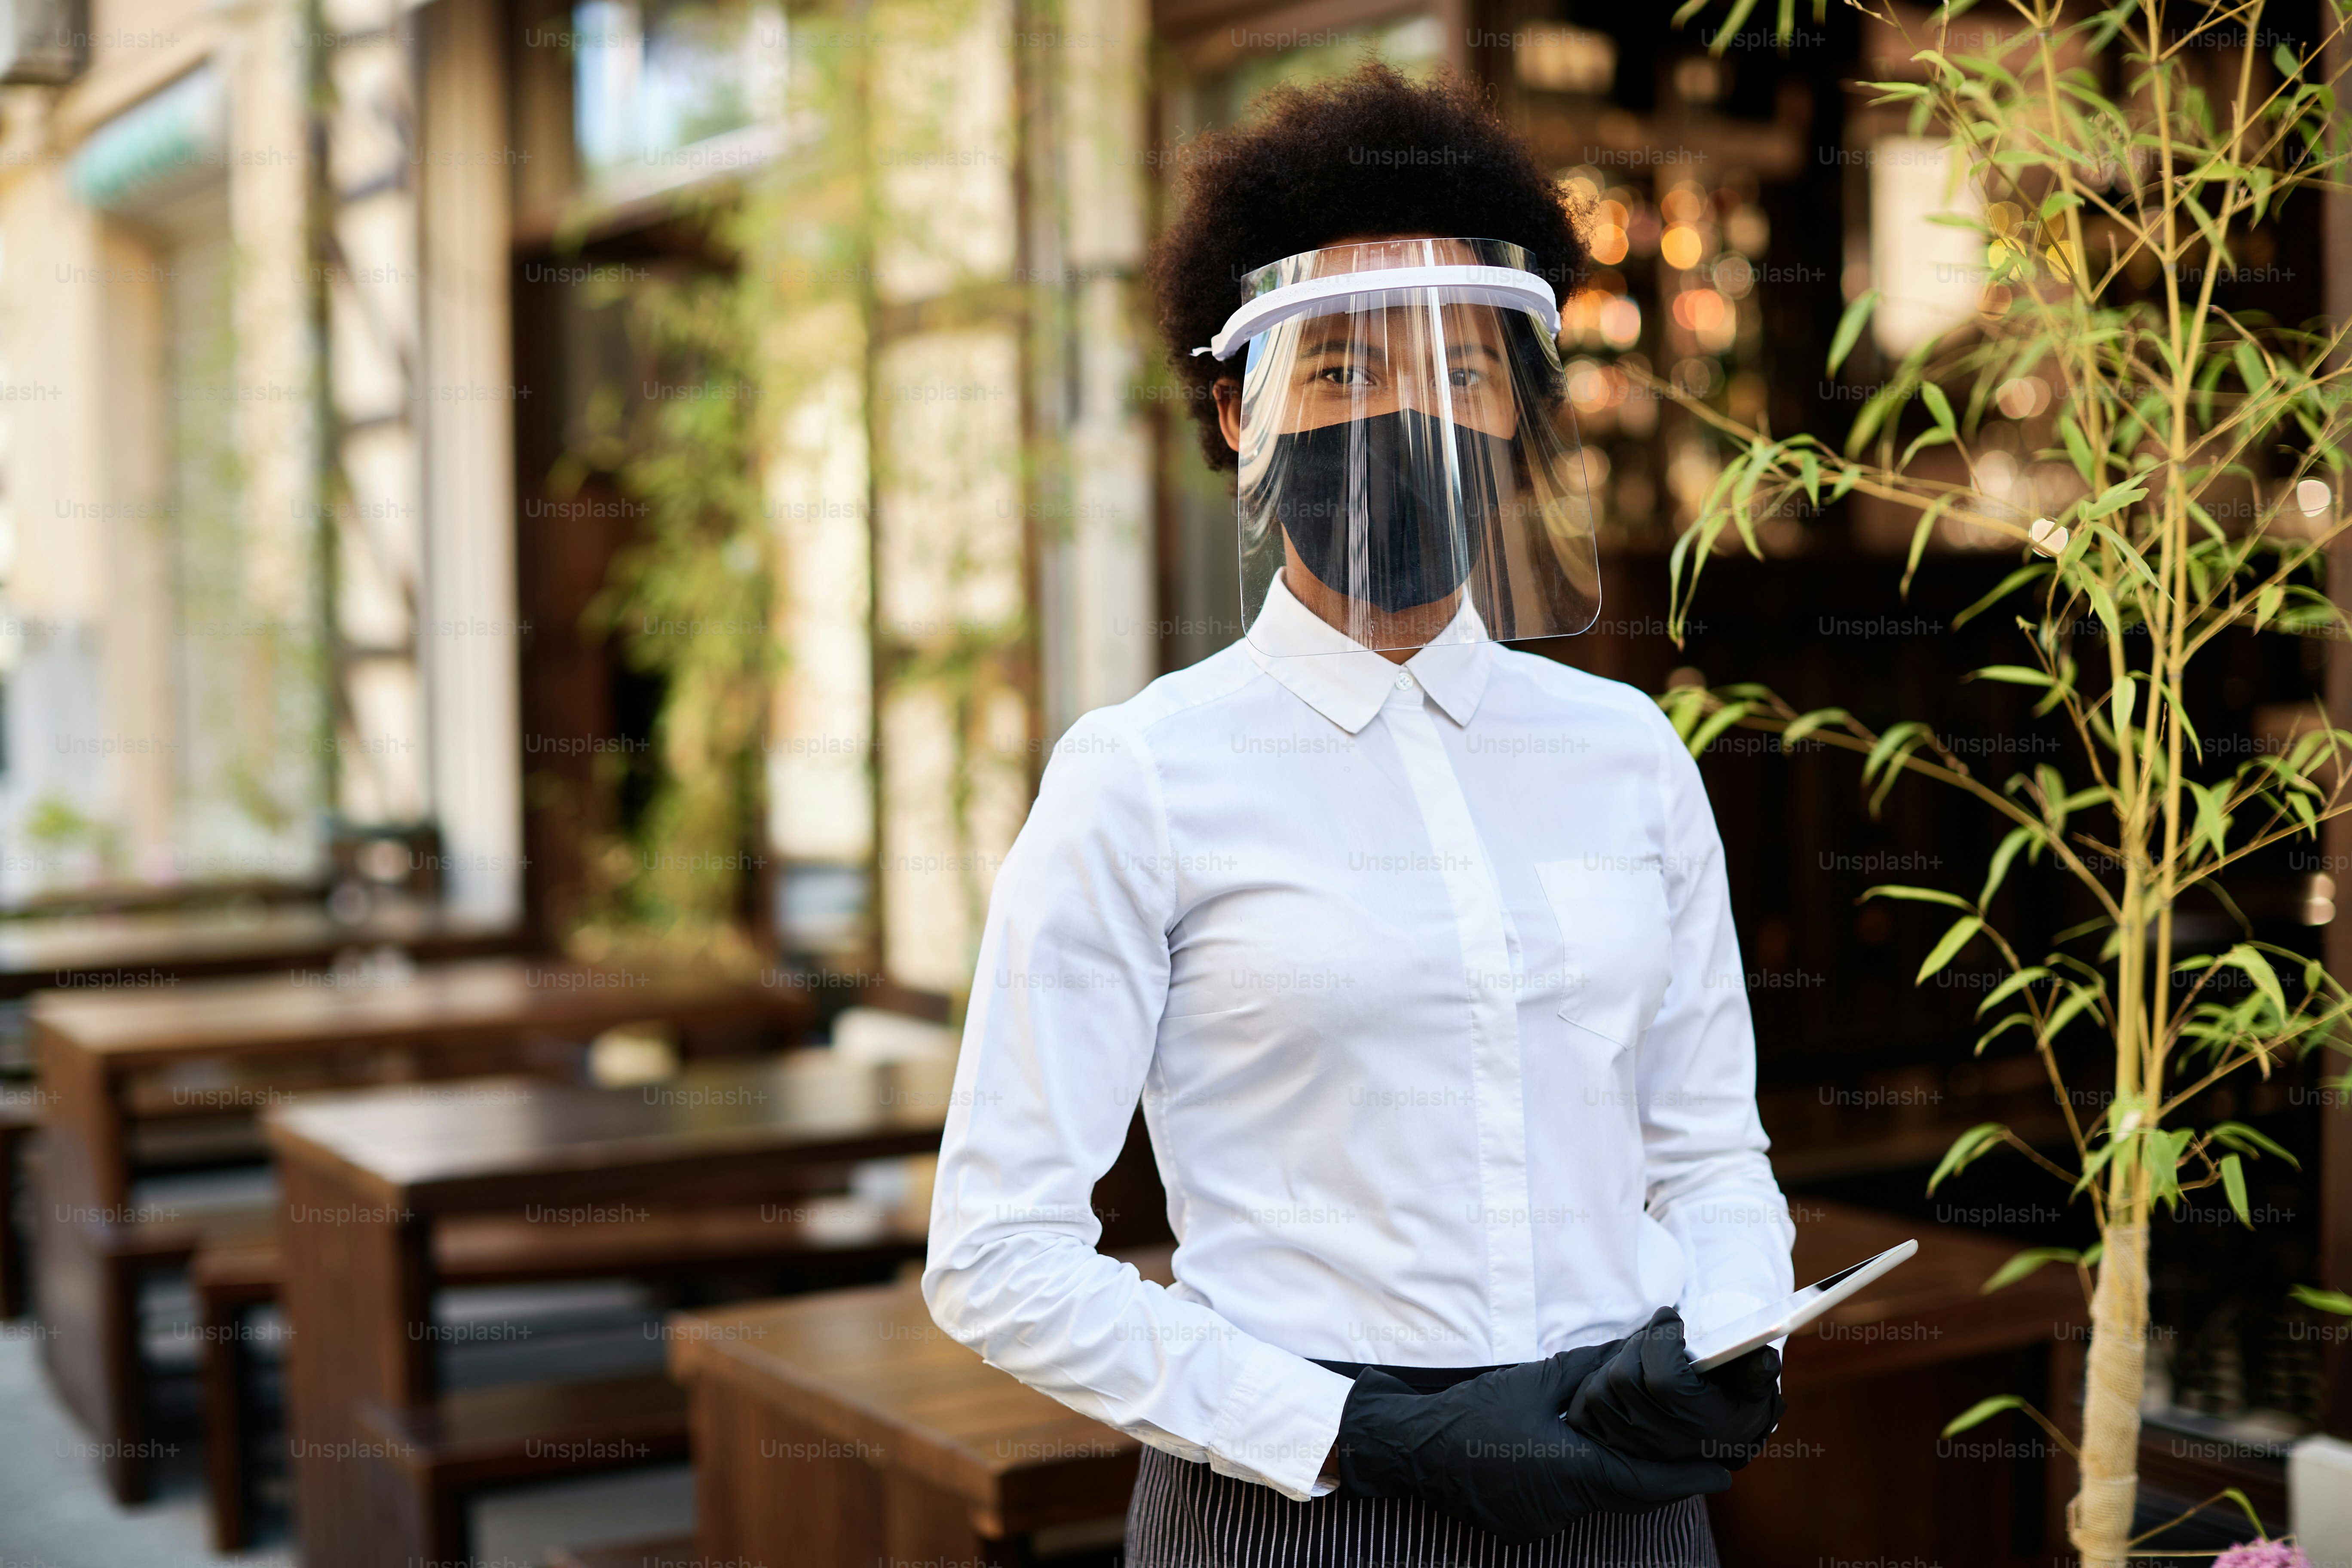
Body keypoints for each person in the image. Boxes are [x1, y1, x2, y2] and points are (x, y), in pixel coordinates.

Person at [923, 63, 1796, 1567]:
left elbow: (1710, 1153)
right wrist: (1357, 1426)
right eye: (1340, 373)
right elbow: (996, 1256)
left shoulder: (1625, 752)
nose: (1407, 414)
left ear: (1524, 406)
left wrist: (1730, 1337)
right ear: (1233, 409)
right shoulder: (1142, 776)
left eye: (1461, 370)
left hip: (1620, 1503)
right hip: (1295, 1514)